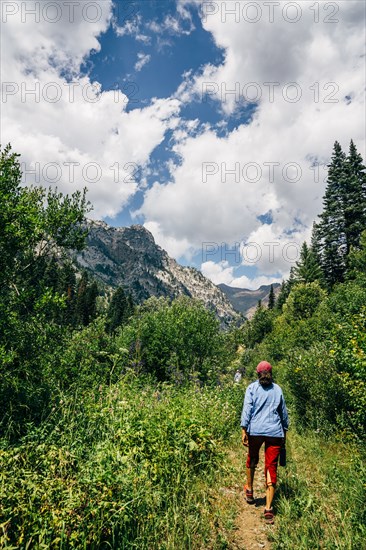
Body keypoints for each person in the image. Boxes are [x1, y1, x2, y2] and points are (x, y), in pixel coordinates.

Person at [240, 360, 289, 525]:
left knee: (252, 458)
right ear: (271, 374)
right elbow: (283, 413)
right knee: (271, 466)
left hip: (255, 431)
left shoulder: (252, 388)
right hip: (275, 432)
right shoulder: (277, 389)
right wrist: (285, 431)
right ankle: (268, 509)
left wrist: (243, 429)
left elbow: (247, 408)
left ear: (257, 374)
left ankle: (250, 490)